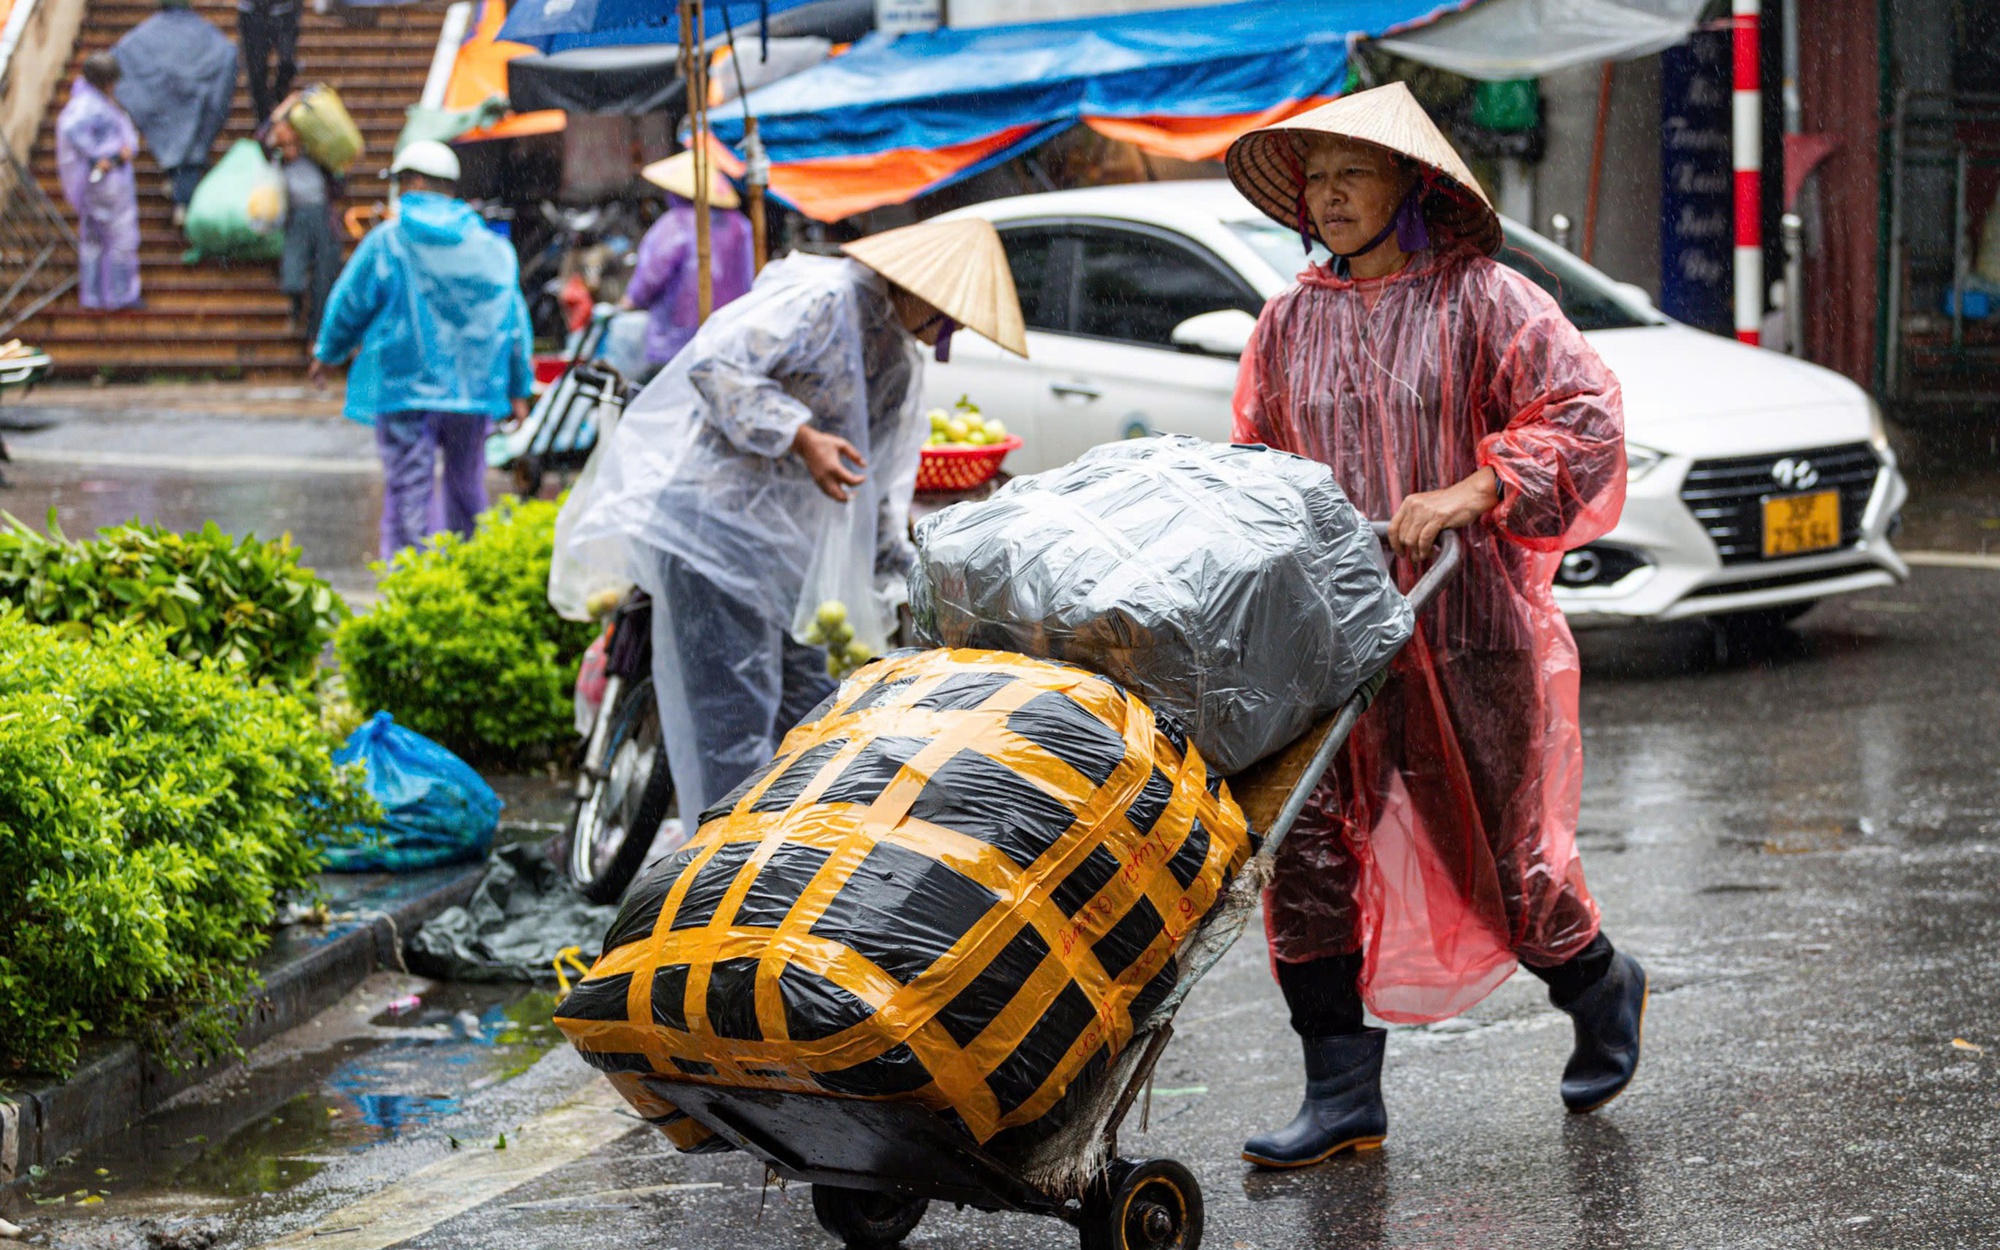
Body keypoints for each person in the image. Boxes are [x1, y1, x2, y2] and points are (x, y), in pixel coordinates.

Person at [1223, 82, 1641, 1168]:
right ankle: (1339, 1094)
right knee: (1302, 851)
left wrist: (1473, 488)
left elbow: (1582, 418)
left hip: (1464, 622)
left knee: (1494, 861)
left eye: (1350, 173)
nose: (1329, 195)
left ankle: (1598, 983)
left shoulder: (1483, 298)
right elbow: (1256, 462)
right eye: (1314, 178)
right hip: (1324, 633)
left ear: (1407, 183)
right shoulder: (1285, 320)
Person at [562, 217, 1027, 820]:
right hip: (714, 538)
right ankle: (718, 878)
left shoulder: (899, 364)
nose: (954, 328)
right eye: (951, 312)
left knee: (812, 728)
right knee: (730, 731)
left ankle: (778, 866)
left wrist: (916, 580)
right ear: (918, 291)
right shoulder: (817, 302)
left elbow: (879, 485)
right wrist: (799, 436)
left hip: (792, 563)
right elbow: (716, 367)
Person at [310, 140, 533, 558]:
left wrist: (328, 351)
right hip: (473, 388)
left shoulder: (389, 241)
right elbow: (513, 321)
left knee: (409, 489)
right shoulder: (490, 247)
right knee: (467, 484)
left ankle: (411, 579)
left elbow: (351, 301)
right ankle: (467, 572)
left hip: (406, 385)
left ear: (411, 182)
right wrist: (519, 387)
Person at [620, 150, 756, 377]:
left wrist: (632, 298)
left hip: (677, 338)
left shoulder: (675, 224)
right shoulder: (740, 225)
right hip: (730, 336)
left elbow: (652, 274)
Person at [111, 0, 238, 227]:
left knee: (179, 149)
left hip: (165, 107)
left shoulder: (148, 34)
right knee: (191, 150)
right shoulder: (202, 32)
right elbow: (227, 54)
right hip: (197, 106)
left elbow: (121, 54)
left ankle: (183, 197)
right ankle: (184, 201)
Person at [55, 54, 142, 311]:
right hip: (107, 184)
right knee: (121, 239)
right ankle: (120, 294)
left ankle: (94, 295)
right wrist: (105, 157)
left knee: (93, 241)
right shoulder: (89, 107)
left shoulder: (91, 102)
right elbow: (75, 130)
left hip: (100, 184)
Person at [264, 95, 341, 343]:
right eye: (283, 145)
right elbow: (262, 135)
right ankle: (297, 308)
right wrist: (286, 105)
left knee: (324, 279)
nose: (288, 149)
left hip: (322, 218)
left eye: (292, 143)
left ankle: (313, 335)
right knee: (293, 277)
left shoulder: (317, 159)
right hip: (296, 218)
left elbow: (340, 178)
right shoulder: (276, 162)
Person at [237, 0, 299, 128]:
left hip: (284, 11)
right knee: (256, 74)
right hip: (252, 13)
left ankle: (277, 98)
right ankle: (263, 123)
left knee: (287, 63)